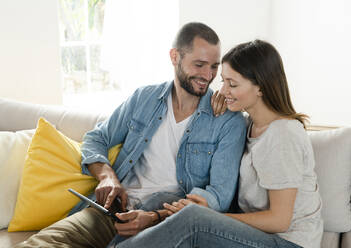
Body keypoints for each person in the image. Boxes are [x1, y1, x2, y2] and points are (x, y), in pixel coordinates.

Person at [15, 23, 246, 248]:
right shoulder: (144, 98)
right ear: (175, 56)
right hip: (113, 210)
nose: (208, 75)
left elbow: (218, 197)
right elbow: (97, 138)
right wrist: (107, 176)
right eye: (199, 65)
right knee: (41, 242)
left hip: (167, 221)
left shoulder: (227, 120)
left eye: (215, 66)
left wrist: (155, 216)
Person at [113, 40, 323, 248]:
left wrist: (213, 217)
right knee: (160, 200)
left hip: (288, 242)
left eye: (232, 84)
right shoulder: (249, 124)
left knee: (193, 219)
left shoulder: (283, 134)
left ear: (260, 87)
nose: (222, 91)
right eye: (222, 81)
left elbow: (280, 220)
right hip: (258, 235)